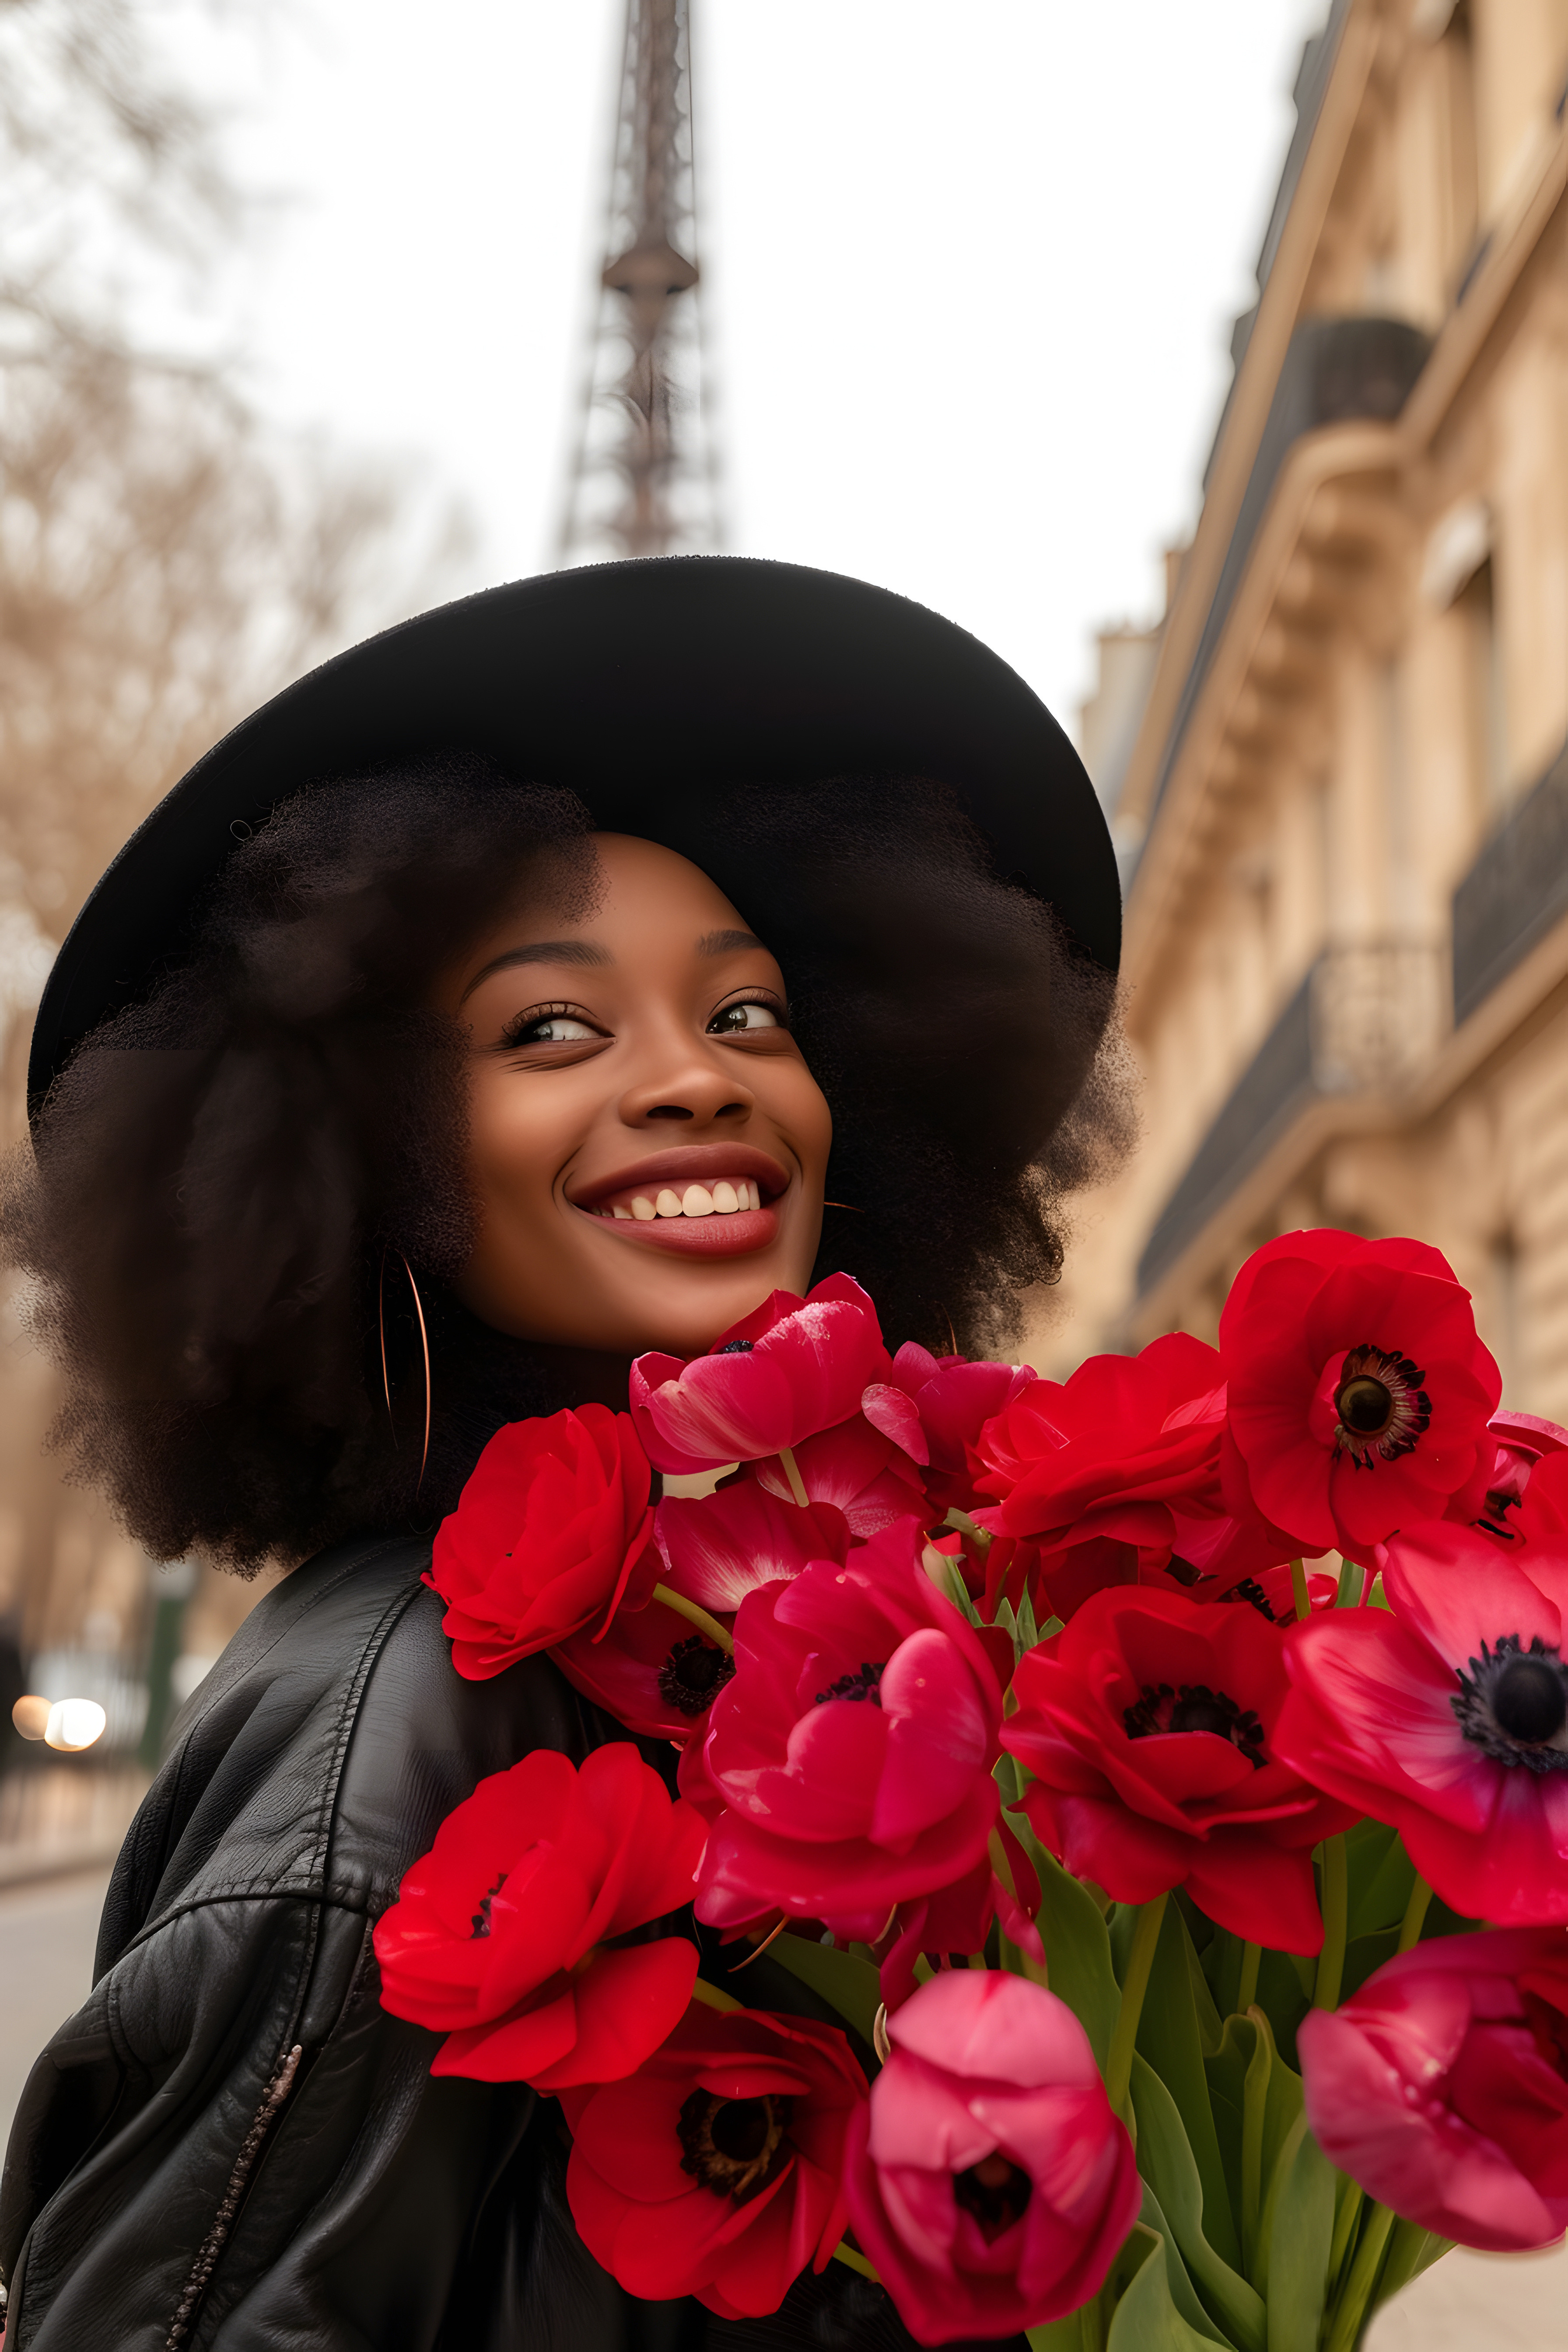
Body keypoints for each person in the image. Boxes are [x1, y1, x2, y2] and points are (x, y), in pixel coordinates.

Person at [0, 558, 1128, 2349]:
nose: (701, 1080)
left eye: (749, 1013)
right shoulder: (403, 1730)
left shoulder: (681, 1656)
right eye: (548, 1028)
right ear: (352, 1164)